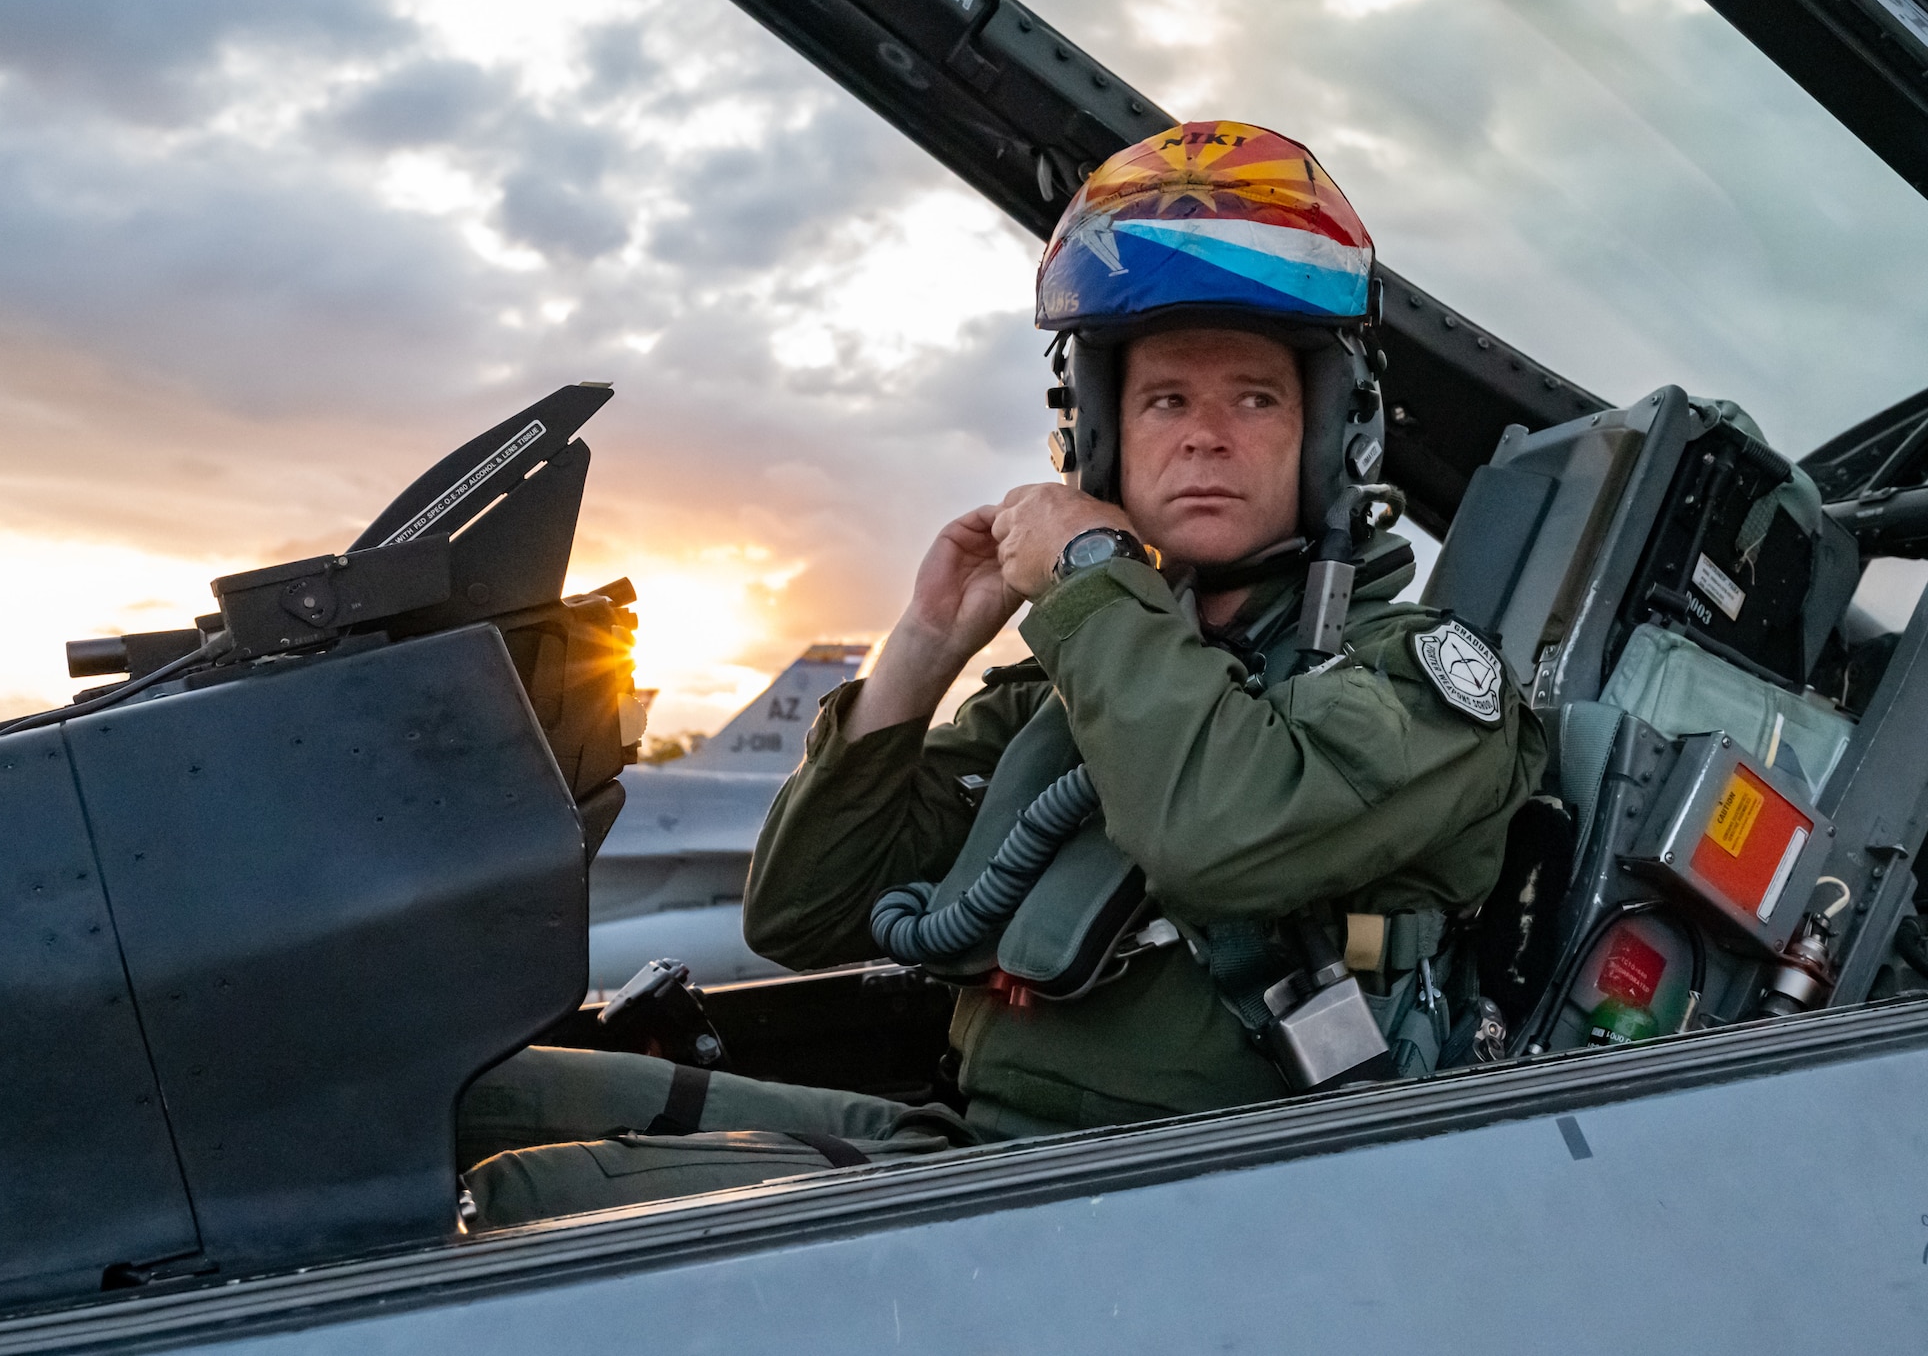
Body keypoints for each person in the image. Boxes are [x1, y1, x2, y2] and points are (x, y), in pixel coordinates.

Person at [457, 121, 1545, 1225]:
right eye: (1164, 399)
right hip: (984, 1152)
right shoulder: (1073, 683)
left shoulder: (1424, 685)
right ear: (1098, 439)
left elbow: (1214, 833)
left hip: (1181, 1203)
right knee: (474, 1102)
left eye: (1253, 398)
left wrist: (1088, 574)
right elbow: (801, 909)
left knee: (517, 1206)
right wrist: (923, 649)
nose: (1205, 436)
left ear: (1328, 433)